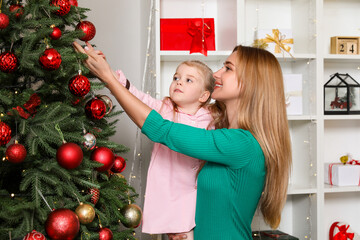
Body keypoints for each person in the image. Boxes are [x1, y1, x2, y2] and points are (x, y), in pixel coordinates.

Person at [73, 42, 292, 240]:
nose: (216, 74)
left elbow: (160, 130)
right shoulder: (222, 131)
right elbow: (218, 208)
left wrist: (109, 80)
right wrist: (191, 231)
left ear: (249, 83)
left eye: (228, 68)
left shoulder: (241, 143)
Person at [111, 60, 214, 239]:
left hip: (193, 187)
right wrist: (118, 80)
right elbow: (140, 99)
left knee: (190, 230)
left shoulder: (210, 118)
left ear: (203, 96)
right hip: (166, 185)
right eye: (176, 77)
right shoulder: (164, 108)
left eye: (189, 80)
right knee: (172, 228)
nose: (179, 82)